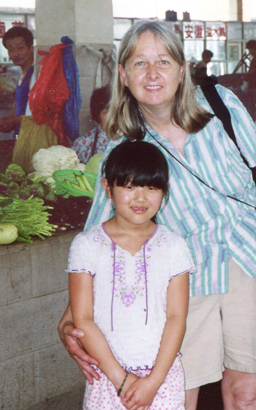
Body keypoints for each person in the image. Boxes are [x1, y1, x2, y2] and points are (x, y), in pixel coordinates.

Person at [58, 20, 256, 410]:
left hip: (255, 257)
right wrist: (70, 318)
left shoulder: (221, 105)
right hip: (185, 283)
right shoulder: (124, 151)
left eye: (163, 61)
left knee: (247, 393)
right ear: (123, 75)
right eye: (140, 63)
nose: (153, 73)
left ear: (181, 68)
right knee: (178, 398)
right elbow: (100, 237)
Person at [67, 139, 193, 409]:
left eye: (151, 187)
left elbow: (176, 318)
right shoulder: (86, 245)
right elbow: (83, 319)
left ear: (165, 191)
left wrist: (153, 381)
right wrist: (121, 380)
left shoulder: (174, 246)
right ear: (107, 188)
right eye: (129, 186)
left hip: (161, 380)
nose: (140, 197)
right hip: (107, 377)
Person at [0, 27, 35, 133]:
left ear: (31, 48)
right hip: (22, 137)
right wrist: (8, 121)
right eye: (11, 50)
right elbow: (18, 105)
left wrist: (13, 120)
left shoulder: (35, 75)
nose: (15, 54)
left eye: (20, 48)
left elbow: (42, 114)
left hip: (33, 138)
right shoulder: (22, 75)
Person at [71, 86, 111, 163]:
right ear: (97, 115)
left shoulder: (130, 139)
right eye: (106, 113)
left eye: (117, 111)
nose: (113, 117)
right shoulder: (83, 144)